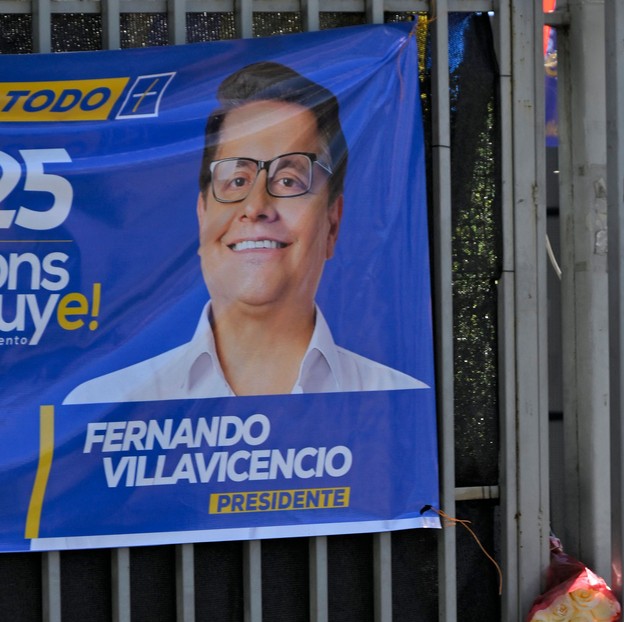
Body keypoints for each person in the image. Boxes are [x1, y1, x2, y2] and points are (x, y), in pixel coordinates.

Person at [65, 61, 426, 404]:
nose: (256, 207)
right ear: (202, 214)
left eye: (288, 180)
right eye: (236, 179)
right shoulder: (102, 405)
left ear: (332, 221)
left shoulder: (398, 402)